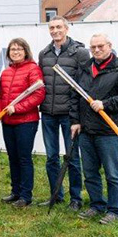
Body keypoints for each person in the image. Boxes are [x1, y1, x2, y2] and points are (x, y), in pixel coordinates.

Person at [71, 33, 118, 225]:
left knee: (112, 173)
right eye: (93, 47)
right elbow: (75, 96)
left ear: (109, 46)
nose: (97, 50)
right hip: (86, 131)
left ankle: (115, 210)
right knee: (90, 172)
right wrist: (75, 120)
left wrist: (106, 104)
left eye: (101, 46)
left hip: (108, 130)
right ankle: (96, 205)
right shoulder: (84, 69)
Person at [37, 16, 90, 210]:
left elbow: (84, 86)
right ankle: (56, 194)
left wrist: (78, 117)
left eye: (59, 27)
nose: (55, 31)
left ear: (66, 29)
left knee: (72, 158)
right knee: (51, 157)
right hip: (48, 113)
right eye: (51, 27)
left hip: (70, 115)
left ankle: (75, 198)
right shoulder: (44, 53)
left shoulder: (80, 53)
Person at [0, 38, 45, 207]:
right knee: (12, 157)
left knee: (23, 158)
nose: (15, 52)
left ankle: (25, 195)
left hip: (26, 121)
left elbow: (38, 95)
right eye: (12, 49)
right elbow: (1, 96)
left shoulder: (33, 69)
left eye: (19, 49)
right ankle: (15, 192)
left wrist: (18, 108)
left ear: (25, 51)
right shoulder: (6, 72)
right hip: (8, 121)